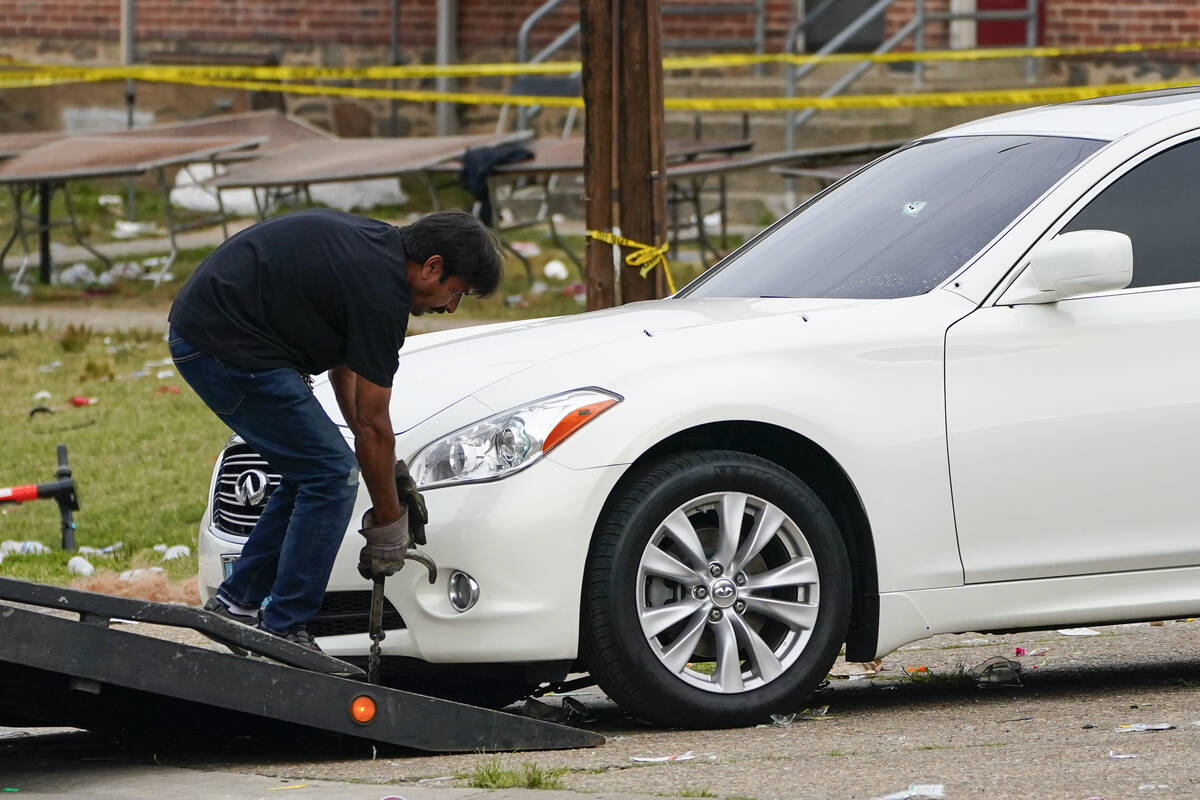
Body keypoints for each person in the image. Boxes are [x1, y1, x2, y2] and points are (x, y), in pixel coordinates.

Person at [168, 208, 502, 651]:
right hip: (224, 345)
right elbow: (373, 422)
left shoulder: (376, 254)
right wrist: (389, 525)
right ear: (433, 266)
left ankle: (238, 603)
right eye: (454, 292)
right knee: (331, 475)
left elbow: (350, 376)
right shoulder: (383, 294)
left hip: (219, 333)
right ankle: (285, 627)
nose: (449, 306)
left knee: (317, 469)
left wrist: (387, 471)